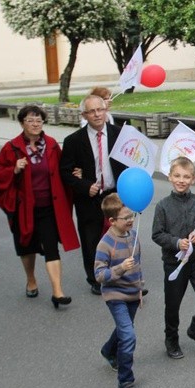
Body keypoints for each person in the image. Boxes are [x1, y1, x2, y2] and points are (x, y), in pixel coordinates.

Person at [0, 105, 80, 308]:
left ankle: (57, 291)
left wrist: (75, 174)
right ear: (22, 123)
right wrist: (14, 169)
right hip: (24, 207)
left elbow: (64, 167)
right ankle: (31, 279)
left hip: (49, 206)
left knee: (51, 248)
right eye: (31, 120)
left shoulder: (50, 144)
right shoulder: (12, 147)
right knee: (26, 246)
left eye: (39, 120)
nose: (35, 124)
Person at [60, 94, 125, 295]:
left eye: (100, 109)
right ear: (84, 115)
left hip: (115, 194)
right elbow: (64, 171)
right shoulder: (73, 141)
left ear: (106, 110)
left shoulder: (120, 134)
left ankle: (122, 277)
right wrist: (83, 185)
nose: (97, 114)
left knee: (120, 237)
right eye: (92, 111)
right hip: (89, 197)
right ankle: (96, 278)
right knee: (91, 240)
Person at [152, 157, 195, 359]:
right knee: (173, 304)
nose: (181, 180)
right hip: (174, 264)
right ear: (170, 177)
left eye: (186, 176)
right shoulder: (162, 206)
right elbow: (157, 234)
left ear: (194, 179)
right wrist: (176, 242)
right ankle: (171, 339)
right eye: (177, 176)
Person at [95, 194, 144, 388]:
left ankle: (108, 350)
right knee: (129, 336)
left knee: (124, 330)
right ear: (112, 221)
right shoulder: (105, 245)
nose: (131, 220)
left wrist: (140, 288)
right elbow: (99, 275)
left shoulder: (133, 236)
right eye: (126, 218)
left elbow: (138, 266)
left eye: (131, 215)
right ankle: (125, 381)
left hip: (133, 293)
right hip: (115, 295)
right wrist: (120, 268)